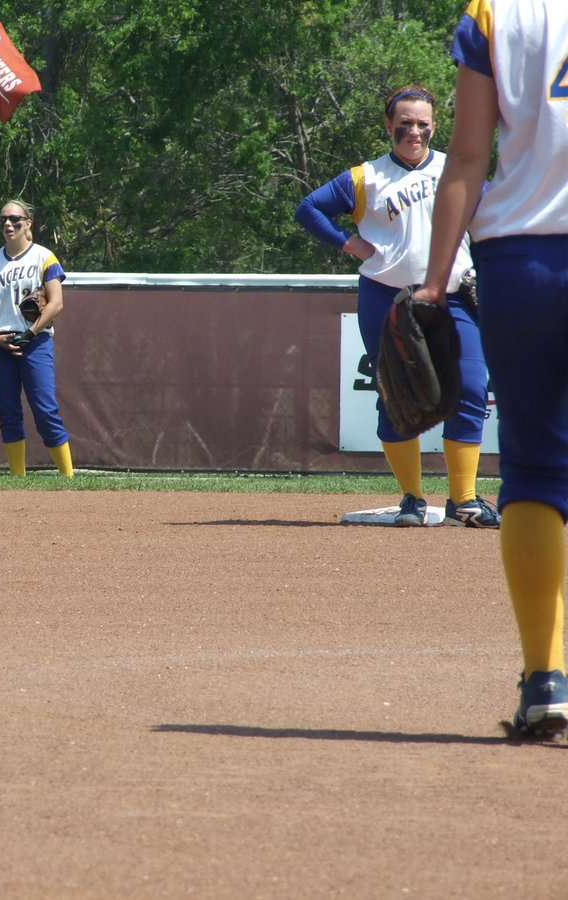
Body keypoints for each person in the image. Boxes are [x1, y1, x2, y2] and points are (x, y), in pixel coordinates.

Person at [413, 0, 568, 737]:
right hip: (522, 256)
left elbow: (469, 156)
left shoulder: (497, 13)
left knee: (535, 471)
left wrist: (435, 278)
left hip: (521, 260)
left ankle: (545, 678)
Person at [295, 85, 498, 528]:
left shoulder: (456, 169)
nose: (414, 131)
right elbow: (308, 208)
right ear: (388, 127)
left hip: (453, 293)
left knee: (469, 387)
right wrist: (350, 244)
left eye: (422, 124)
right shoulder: (366, 177)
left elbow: (495, 219)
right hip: (389, 296)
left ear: (434, 126)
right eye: (404, 123)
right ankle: (412, 498)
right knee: (396, 396)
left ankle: (463, 499)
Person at [0, 199, 73, 477]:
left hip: (35, 342)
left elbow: (56, 303)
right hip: (0, 343)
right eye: (3, 219)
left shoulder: (44, 257)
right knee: (8, 411)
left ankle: (67, 476)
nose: (8, 224)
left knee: (45, 409)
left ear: (28, 224)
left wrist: (31, 332)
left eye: (14, 219)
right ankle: (18, 477)